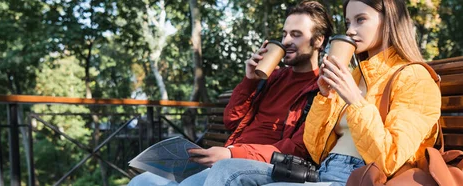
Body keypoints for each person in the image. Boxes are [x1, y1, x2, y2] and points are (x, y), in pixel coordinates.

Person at [203, 0, 442, 185]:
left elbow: (390, 157)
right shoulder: (357, 75)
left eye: (360, 20)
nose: (350, 31)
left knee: (230, 173)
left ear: (389, 20)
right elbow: (316, 149)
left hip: (358, 178)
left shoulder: (415, 77)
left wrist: (355, 100)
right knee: (226, 171)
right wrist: (324, 99)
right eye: (348, 23)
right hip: (321, 171)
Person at [127, 1, 334, 185]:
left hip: (269, 166)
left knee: (208, 176)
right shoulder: (272, 78)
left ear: (318, 41)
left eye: (296, 35)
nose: (286, 40)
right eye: (284, 34)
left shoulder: (322, 89)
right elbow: (232, 121)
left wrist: (232, 153)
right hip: (232, 158)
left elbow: (297, 148)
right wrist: (250, 81)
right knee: (142, 180)